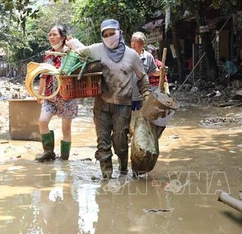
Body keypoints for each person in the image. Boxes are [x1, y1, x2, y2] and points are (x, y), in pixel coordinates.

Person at [76, 19, 151, 179]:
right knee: (103, 144)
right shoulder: (96, 50)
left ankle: (123, 171)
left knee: (121, 143)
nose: (109, 37)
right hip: (101, 104)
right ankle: (106, 179)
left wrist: (146, 95)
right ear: (102, 36)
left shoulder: (131, 55)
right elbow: (77, 54)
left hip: (123, 106)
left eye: (112, 33)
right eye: (106, 34)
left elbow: (142, 77)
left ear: (120, 33)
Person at [36, 24, 81, 162]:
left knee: (65, 129)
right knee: (42, 122)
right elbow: (44, 75)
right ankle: (49, 152)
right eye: (50, 35)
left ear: (62, 37)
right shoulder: (48, 55)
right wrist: (39, 93)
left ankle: (65, 159)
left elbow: (85, 54)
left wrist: (72, 44)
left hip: (67, 97)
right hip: (50, 96)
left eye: (55, 34)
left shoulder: (71, 52)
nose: (51, 37)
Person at [130, 32, 160, 111]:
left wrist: (161, 71)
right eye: (132, 41)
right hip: (127, 97)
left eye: (136, 42)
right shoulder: (126, 55)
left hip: (142, 96)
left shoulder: (148, 57)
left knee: (142, 119)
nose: (133, 44)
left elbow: (154, 72)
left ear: (142, 44)